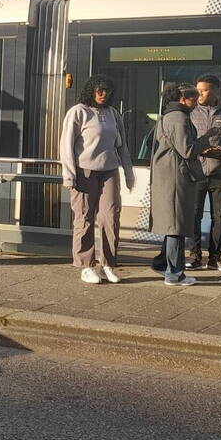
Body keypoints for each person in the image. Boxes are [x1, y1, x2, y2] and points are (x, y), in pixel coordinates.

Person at [59, 75, 135, 284]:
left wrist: (129, 174)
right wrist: (69, 174)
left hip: (109, 171)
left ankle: (108, 263)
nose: (103, 95)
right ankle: (85, 265)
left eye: (107, 91)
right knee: (84, 218)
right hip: (84, 172)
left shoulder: (113, 114)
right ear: (91, 90)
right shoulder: (78, 112)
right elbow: (66, 145)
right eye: (99, 90)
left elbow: (122, 146)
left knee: (110, 217)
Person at [150, 83, 219, 286]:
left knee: (174, 224)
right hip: (176, 179)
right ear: (182, 99)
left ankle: (163, 264)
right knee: (176, 226)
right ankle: (174, 274)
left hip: (168, 176)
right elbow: (187, 150)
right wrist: (206, 139)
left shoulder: (166, 117)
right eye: (193, 99)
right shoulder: (179, 118)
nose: (196, 102)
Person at [188, 74, 221, 271]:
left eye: (204, 90)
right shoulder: (190, 112)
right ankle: (194, 256)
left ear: (216, 91)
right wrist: (198, 150)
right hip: (196, 172)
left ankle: (215, 256)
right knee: (194, 215)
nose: (199, 93)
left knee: (218, 217)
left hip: (219, 172)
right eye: (198, 89)